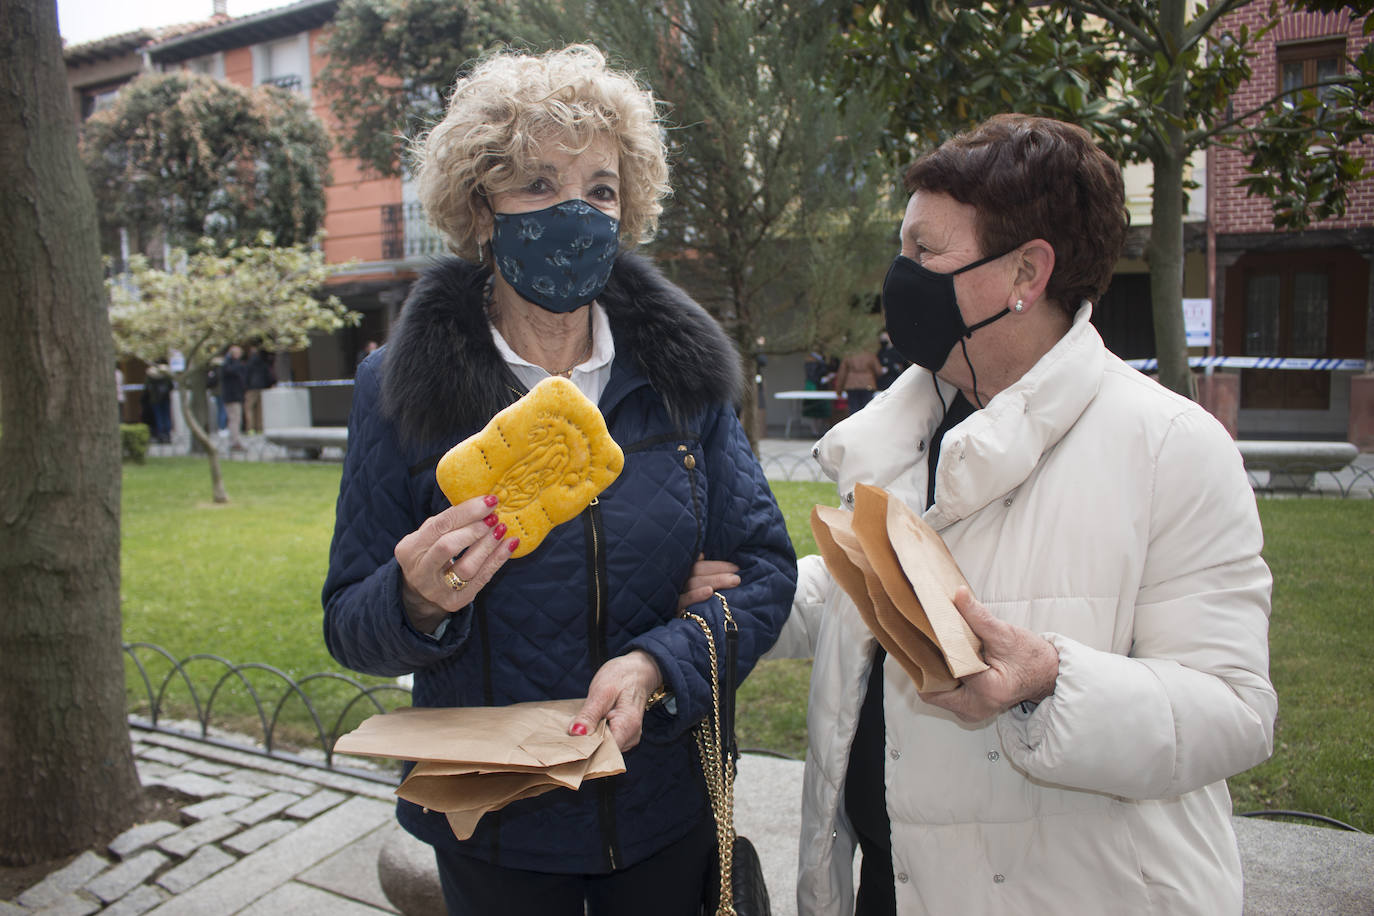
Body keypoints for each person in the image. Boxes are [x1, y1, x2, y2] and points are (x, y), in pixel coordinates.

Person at [321, 45, 796, 916]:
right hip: (501, 822)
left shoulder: (681, 380)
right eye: (539, 185)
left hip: (665, 802)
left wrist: (666, 657)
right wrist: (419, 601)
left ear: (628, 208)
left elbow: (765, 573)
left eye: (601, 189)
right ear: (480, 206)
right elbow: (350, 626)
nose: (574, 212)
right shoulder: (398, 391)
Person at [771, 114, 1275, 915]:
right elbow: (872, 600)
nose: (900, 278)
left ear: (1025, 274)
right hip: (891, 887)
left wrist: (1050, 684)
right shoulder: (907, 429)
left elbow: (1234, 712)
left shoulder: (1172, 447)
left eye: (925, 253)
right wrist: (744, 598)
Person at [833, 340, 883, 413]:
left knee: (854, 410)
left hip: (851, 385)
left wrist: (839, 390)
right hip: (867, 385)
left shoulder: (848, 355)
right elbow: (879, 371)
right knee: (867, 410)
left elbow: (842, 374)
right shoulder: (870, 355)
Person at [219, 345, 248, 452]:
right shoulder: (230, 365)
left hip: (234, 395)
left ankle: (235, 440)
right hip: (232, 396)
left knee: (235, 419)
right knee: (234, 419)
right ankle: (234, 442)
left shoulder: (230, 364)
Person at [244, 344, 275, 433]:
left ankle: (250, 429)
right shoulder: (262, 362)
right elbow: (268, 374)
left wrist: (245, 387)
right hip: (262, 387)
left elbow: (246, 376)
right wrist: (269, 384)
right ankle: (260, 428)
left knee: (249, 408)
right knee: (260, 409)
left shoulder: (249, 363)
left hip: (251, 388)